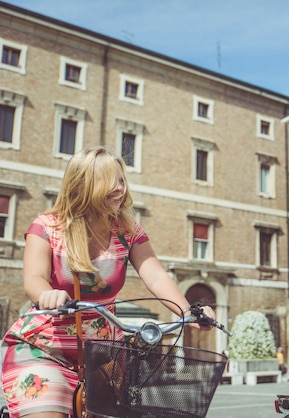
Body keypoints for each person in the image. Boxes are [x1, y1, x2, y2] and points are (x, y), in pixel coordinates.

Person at [1, 146, 216, 418]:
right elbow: (34, 278)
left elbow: (156, 275)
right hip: (44, 348)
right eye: (110, 181)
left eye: (122, 180)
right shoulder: (48, 227)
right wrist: (48, 294)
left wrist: (187, 311)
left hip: (103, 355)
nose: (120, 189)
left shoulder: (128, 231)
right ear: (84, 183)